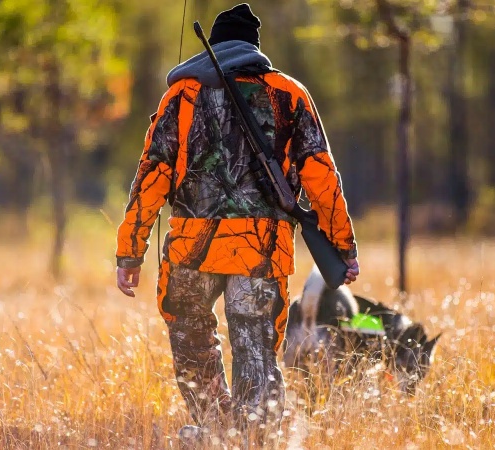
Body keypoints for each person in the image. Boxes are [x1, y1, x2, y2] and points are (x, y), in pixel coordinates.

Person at [115, 3, 359, 443]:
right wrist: (343, 247)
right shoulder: (289, 93)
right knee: (255, 350)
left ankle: (215, 428)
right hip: (260, 252)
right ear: (253, 48)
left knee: (190, 340)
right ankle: (250, 439)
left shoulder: (182, 95)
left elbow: (151, 176)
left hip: (192, 250)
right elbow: (322, 177)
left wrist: (131, 251)